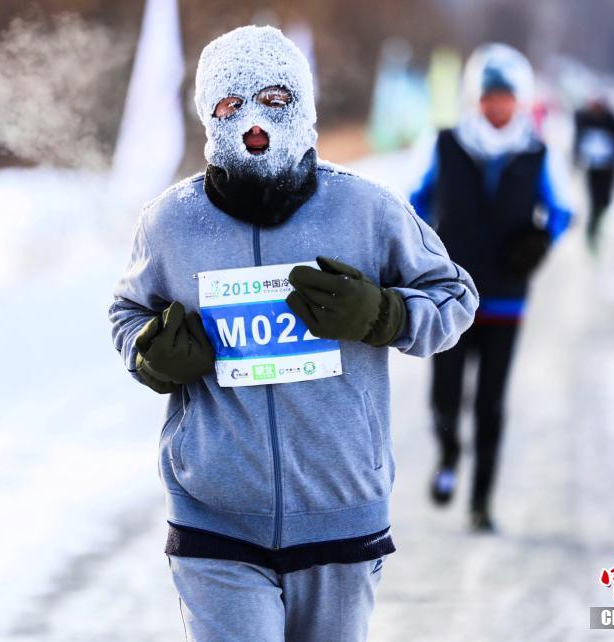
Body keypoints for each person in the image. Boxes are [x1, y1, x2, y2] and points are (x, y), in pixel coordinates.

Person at [109, 26, 477, 641]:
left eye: (274, 99)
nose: (253, 122)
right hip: (214, 522)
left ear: (303, 106)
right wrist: (151, 354)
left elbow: (454, 297)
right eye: (231, 104)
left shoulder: (366, 209)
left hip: (341, 517)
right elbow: (128, 313)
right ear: (208, 117)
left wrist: (383, 315)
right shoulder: (171, 223)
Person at [410, 43, 572, 532]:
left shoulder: (536, 151)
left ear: (519, 100)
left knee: (490, 402)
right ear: (474, 98)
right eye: (487, 96)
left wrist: (540, 241)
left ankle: (481, 502)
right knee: (444, 393)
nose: (496, 105)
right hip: (450, 296)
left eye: (504, 96)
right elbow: (413, 203)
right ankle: (448, 454)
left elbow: (562, 210)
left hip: (505, 296)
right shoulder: (445, 144)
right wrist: (426, 250)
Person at [573, 95, 614, 249]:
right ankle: (592, 229)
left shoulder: (611, 121)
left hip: (608, 168)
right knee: (594, 198)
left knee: (606, 199)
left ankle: (599, 222)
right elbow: (578, 140)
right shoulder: (585, 119)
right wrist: (578, 158)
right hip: (592, 167)